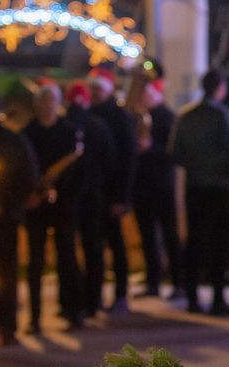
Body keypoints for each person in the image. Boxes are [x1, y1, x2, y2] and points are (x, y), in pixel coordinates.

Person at [169, 69, 229, 314]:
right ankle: (218, 298)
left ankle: (192, 297)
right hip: (219, 187)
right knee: (220, 243)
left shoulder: (186, 116)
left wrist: (196, 164)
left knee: (195, 242)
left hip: (194, 186)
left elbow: (175, 153)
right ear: (220, 87)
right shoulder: (223, 116)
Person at [21, 80, 84, 332]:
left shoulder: (69, 131)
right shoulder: (28, 133)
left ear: (58, 104)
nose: (47, 106)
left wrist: (63, 192)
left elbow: (78, 171)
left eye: (51, 102)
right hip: (36, 204)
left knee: (67, 258)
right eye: (43, 102)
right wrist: (35, 192)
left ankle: (72, 311)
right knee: (35, 262)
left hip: (64, 205)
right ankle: (34, 318)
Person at [0, 93, 39, 343]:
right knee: (5, 272)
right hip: (5, 219)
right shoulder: (14, 140)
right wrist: (6, 207)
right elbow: (28, 179)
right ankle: (6, 328)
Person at [63, 81, 117, 316]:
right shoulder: (99, 126)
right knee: (93, 248)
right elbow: (110, 161)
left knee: (67, 250)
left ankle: (71, 303)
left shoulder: (64, 125)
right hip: (94, 195)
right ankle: (93, 301)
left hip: (68, 197)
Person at [87, 67, 136, 312]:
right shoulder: (90, 114)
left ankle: (120, 293)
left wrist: (121, 196)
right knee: (94, 245)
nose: (94, 94)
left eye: (98, 90)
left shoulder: (119, 117)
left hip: (111, 191)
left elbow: (127, 159)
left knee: (115, 243)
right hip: (94, 192)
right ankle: (94, 295)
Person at [130, 74, 182, 299]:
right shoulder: (138, 117)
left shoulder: (167, 117)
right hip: (142, 184)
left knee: (169, 233)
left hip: (161, 183)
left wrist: (150, 148)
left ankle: (178, 281)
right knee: (147, 235)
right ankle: (153, 281)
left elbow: (173, 152)